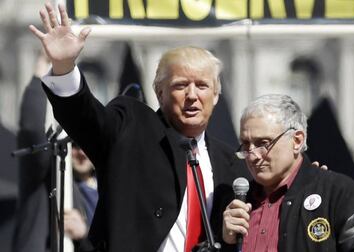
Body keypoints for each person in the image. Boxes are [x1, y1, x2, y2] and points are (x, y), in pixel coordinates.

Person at [30, 3, 250, 252]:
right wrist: (64, 67)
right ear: (159, 92)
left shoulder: (231, 163)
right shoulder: (131, 127)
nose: (191, 95)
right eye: (180, 85)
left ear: (216, 94)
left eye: (202, 85)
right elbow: (87, 119)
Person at [222, 94, 354, 251]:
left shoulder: (338, 193)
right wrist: (225, 243)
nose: (252, 155)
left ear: (297, 141)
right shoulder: (235, 205)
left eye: (263, 143)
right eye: (245, 145)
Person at [13, 51, 97, 252]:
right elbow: (32, 129)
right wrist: (43, 65)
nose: (81, 152)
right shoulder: (46, 178)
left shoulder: (110, 188)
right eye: (74, 144)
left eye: (87, 144)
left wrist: (85, 233)